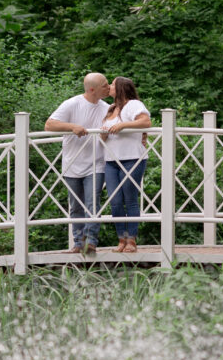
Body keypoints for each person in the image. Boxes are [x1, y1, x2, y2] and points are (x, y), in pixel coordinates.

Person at [45, 73, 110, 255]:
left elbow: (115, 127)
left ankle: (91, 242)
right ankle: (78, 243)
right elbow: (49, 125)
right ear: (92, 89)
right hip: (72, 163)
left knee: (93, 203)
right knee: (75, 207)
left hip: (96, 163)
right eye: (105, 85)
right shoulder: (72, 104)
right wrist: (72, 127)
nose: (108, 87)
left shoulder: (106, 108)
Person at [101, 77, 151, 253]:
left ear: (121, 88)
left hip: (132, 158)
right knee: (115, 201)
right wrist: (103, 134)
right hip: (111, 160)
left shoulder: (133, 105)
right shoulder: (111, 109)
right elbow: (104, 135)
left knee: (130, 199)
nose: (109, 87)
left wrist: (123, 125)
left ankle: (132, 240)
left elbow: (146, 122)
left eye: (113, 84)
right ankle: (121, 239)